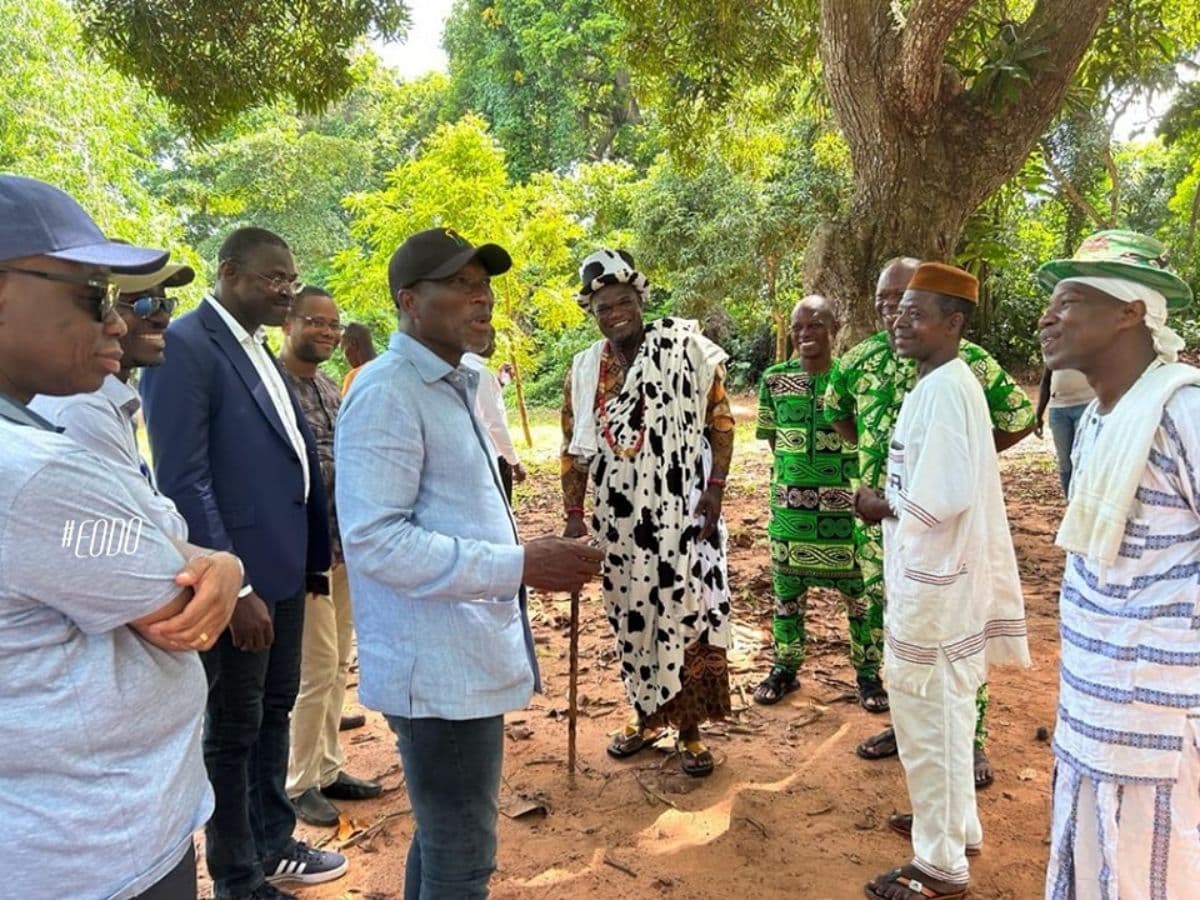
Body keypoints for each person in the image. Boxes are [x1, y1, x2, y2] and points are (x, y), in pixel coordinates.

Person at [335, 226, 602, 899]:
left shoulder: (452, 381)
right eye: (459, 286)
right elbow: (375, 540)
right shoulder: (389, 390)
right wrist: (519, 565)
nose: (480, 300)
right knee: (462, 854)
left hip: (457, 657)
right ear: (408, 301)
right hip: (436, 673)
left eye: (483, 287)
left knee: (443, 837)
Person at [0, 174, 242, 900]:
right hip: (92, 852)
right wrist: (215, 561)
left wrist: (208, 556)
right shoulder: (32, 474)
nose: (116, 322)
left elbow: (152, 532)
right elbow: (177, 604)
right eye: (89, 296)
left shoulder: (31, 436)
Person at [140, 228, 344, 900]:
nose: (286, 289)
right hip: (240, 584)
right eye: (272, 278)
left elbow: (292, 462)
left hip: (284, 573)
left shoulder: (257, 348)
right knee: (232, 728)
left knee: (273, 712)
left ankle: (272, 840)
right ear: (229, 273)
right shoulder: (188, 347)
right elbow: (183, 478)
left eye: (290, 277)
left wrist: (310, 559)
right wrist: (239, 586)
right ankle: (237, 876)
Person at [825, 256, 1036, 788]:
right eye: (884, 301)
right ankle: (908, 728)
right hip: (884, 532)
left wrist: (969, 464)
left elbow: (1017, 418)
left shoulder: (964, 367)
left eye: (905, 302)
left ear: (945, 318)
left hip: (941, 531)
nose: (891, 312)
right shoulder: (860, 359)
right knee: (894, 631)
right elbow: (837, 412)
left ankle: (969, 742)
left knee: (954, 639)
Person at [855, 263, 1030, 900]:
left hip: (937, 581)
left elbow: (943, 495)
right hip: (931, 575)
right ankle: (953, 827)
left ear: (954, 324)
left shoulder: (948, 387)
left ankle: (940, 866)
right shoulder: (938, 381)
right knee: (941, 710)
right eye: (899, 310)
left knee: (930, 716)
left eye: (917, 313)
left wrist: (881, 505)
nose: (901, 321)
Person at [1034, 231, 1200, 899]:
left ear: (1133, 311)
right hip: (1095, 708)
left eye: (1069, 300)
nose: (1047, 316)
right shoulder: (1106, 418)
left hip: (1159, 726)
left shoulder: (1183, 411)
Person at [561, 248, 734, 777]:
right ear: (593, 314)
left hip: (682, 511)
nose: (615, 312)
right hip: (619, 521)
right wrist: (573, 514)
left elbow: (721, 422)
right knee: (632, 619)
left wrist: (715, 489)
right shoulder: (587, 368)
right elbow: (574, 445)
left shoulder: (684, 350)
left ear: (639, 299)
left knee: (687, 614)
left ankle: (690, 730)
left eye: (623, 301)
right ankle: (644, 717)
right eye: (603, 307)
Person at [279, 287, 381, 827]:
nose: (326, 331)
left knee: (339, 658)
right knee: (314, 668)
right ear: (287, 324)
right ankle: (299, 783)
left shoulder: (327, 385)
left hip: (345, 545)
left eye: (333, 325)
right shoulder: (269, 387)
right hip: (304, 551)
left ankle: (327, 768)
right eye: (314, 321)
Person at [752, 296, 878, 708]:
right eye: (798, 327)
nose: (805, 334)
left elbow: (865, 439)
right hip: (791, 512)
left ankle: (868, 676)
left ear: (834, 329)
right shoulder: (773, 379)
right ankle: (785, 669)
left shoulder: (852, 379)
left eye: (816, 325)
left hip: (847, 513)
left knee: (860, 599)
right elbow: (774, 441)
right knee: (787, 597)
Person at [31, 257, 193, 538]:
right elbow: (158, 531)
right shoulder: (80, 409)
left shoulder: (112, 400)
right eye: (143, 304)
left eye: (165, 304)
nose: (162, 317)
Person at [463, 335, 525, 503]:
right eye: (490, 338)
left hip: (468, 455)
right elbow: (493, 422)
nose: (494, 344)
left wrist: (500, 381)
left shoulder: (459, 368)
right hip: (492, 456)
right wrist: (514, 461)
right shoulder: (480, 373)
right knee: (501, 511)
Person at [1034, 367, 1095, 494]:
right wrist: (1039, 414)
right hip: (1058, 409)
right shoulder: (1052, 347)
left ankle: (1083, 502)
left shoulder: (1091, 346)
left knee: (1083, 459)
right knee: (1065, 462)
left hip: (1086, 404)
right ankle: (1070, 502)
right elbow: (1046, 381)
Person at [340, 322, 376, 395]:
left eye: (343, 349)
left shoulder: (355, 376)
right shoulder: (385, 369)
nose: (345, 357)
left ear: (353, 344)